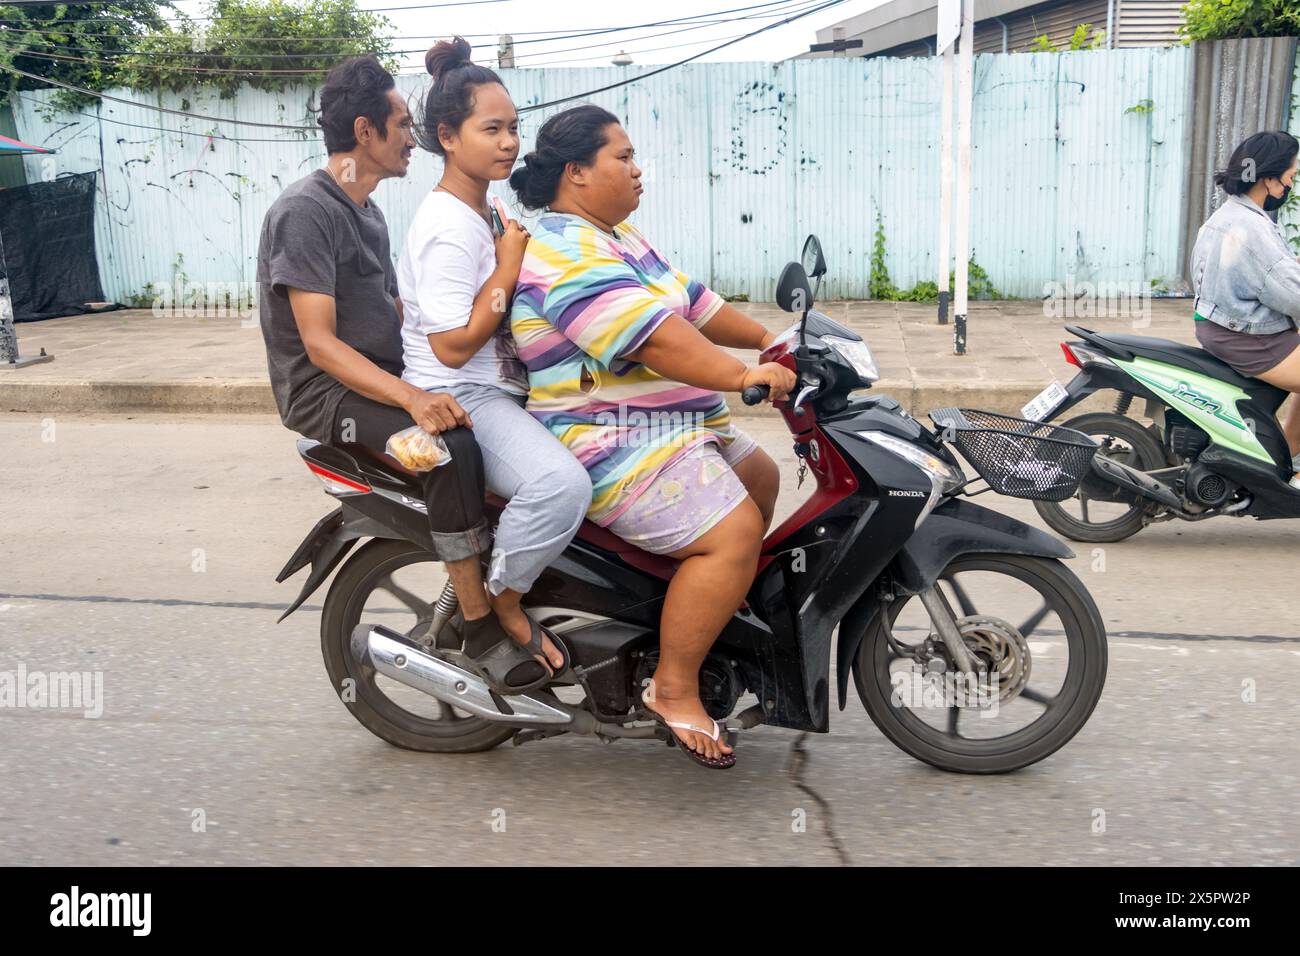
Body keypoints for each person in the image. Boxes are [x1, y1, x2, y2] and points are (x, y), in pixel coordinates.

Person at [508, 104, 796, 768]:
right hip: (612, 440)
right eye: (624, 157)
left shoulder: (619, 236)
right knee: (734, 535)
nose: (639, 170)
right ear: (577, 173)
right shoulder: (564, 247)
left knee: (762, 477)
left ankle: (699, 614)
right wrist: (742, 373)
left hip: (669, 430)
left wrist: (771, 339)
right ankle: (673, 686)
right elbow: (655, 339)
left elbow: (690, 303)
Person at [256, 55, 528, 684]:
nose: (416, 136)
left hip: (376, 376)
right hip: (326, 396)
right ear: (364, 131)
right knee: (447, 447)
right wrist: (413, 398)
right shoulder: (307, 211)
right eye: (403, 124)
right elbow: (320, 345)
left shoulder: (368, 209)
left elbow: (393, 307)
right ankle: (481, 621)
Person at [397, 38, 591, 691]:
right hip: (462, 395)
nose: (509, 142)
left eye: (513, 128)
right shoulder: (449, 223)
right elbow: (453, 343)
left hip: (501, 388)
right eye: (492, 129)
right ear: (448, 137)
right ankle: (501, 603)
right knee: (561, 487)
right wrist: (508, 267)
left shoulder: (486, 206)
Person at [1191, 130, 1300, 488]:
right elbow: (1290, 292)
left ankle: (1289, 452)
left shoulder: (1230, 216)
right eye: (1290, 176)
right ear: (1269, 179)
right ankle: (1290, 459)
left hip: (1228, 327)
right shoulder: (1250, 228)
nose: (1290, 185)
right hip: (1249, 338)